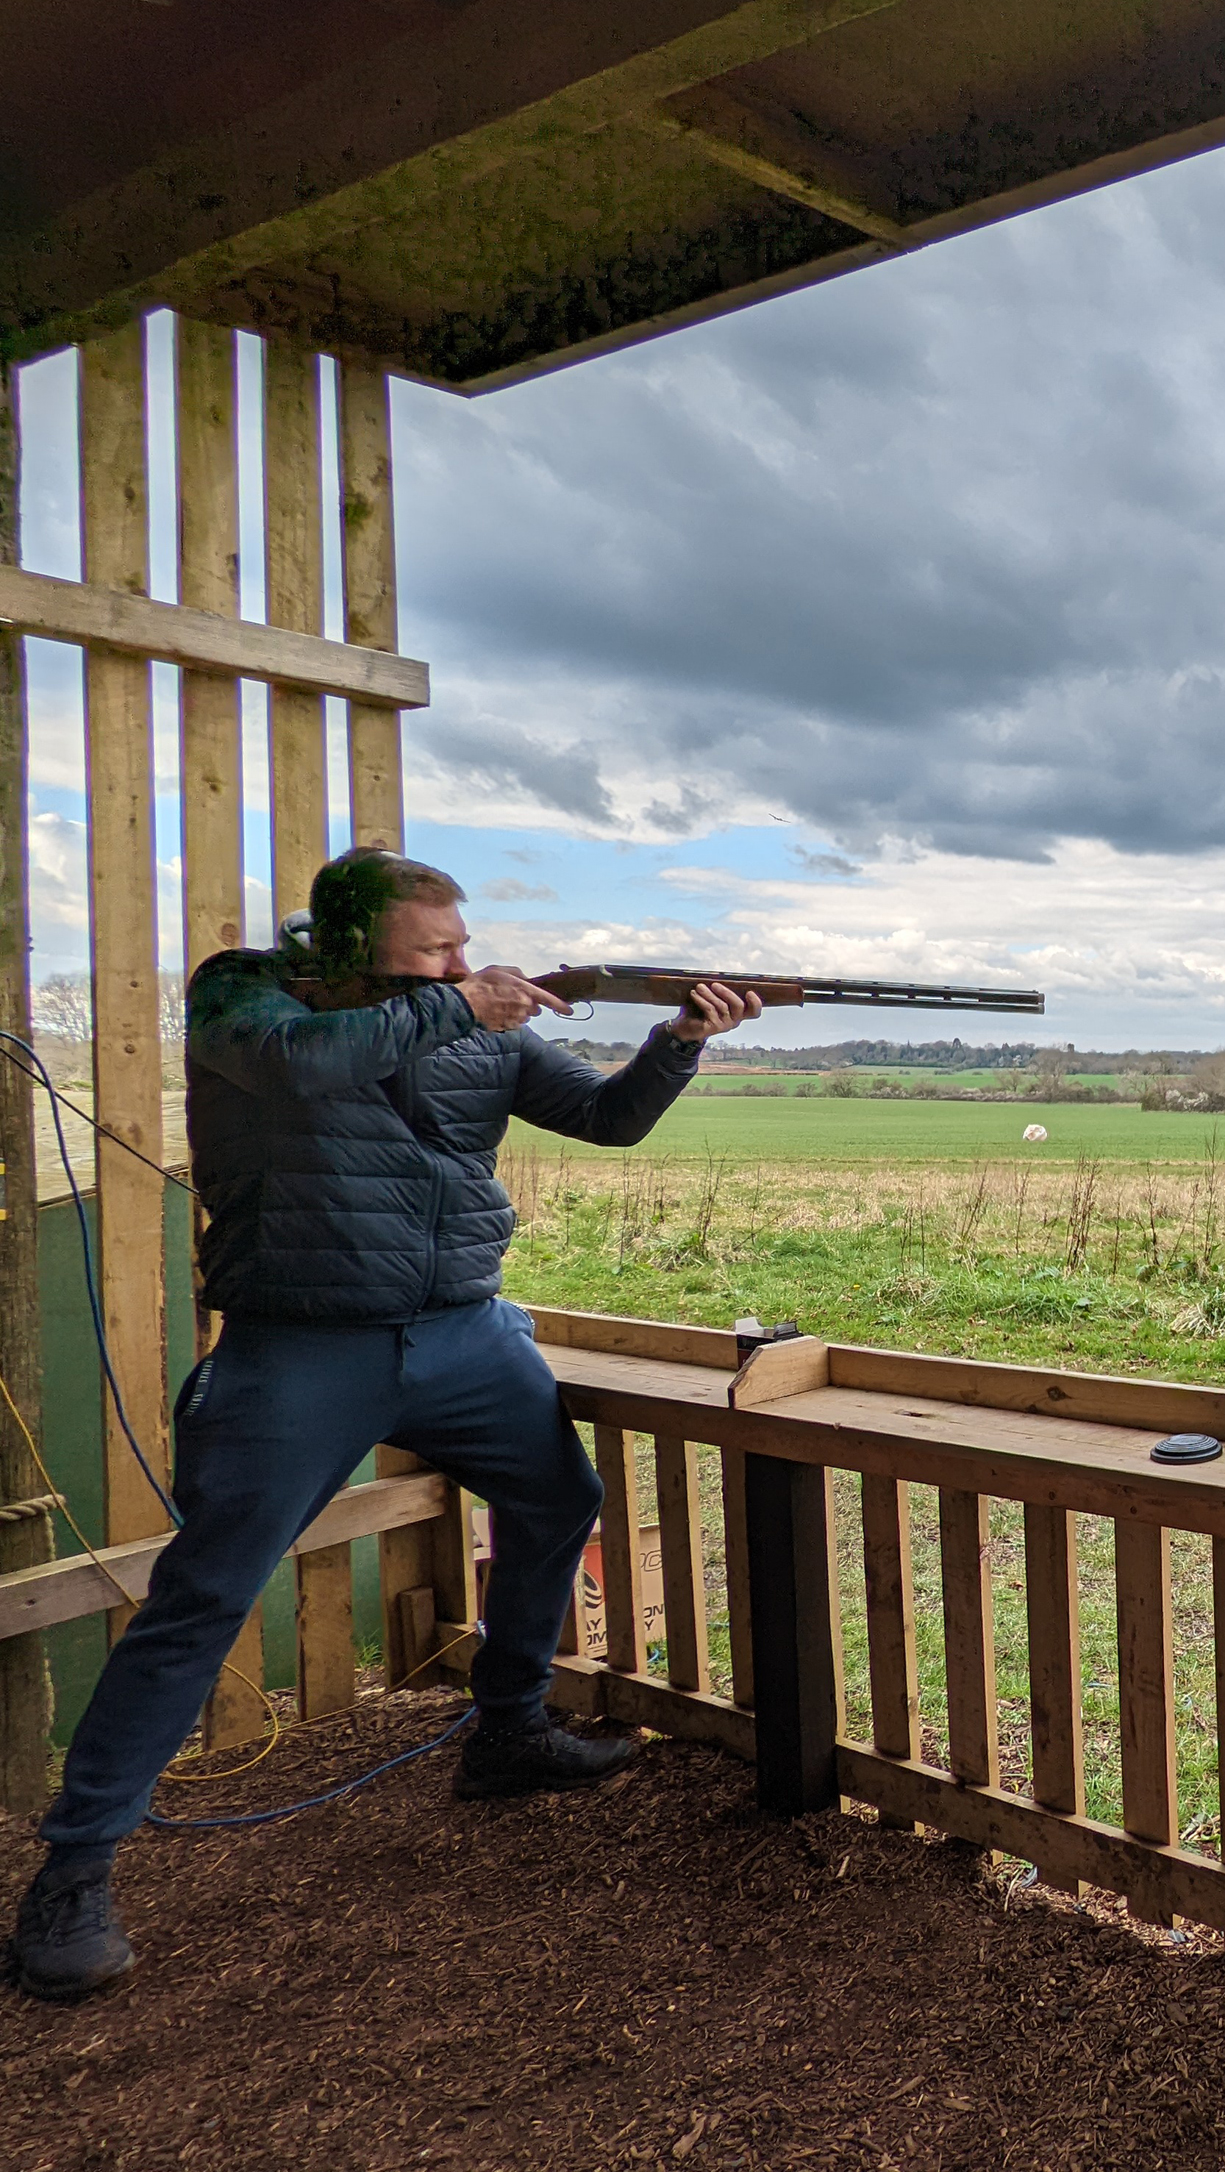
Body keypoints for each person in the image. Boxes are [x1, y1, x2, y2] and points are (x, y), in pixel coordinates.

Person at [8, 848, 761, 2002]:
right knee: (206, 1592)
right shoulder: (243, 993)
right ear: (353, 944)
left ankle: (507, 1730)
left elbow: (607, 1122)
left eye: (463, 944)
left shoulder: (483, 1028)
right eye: (436, 948)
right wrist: (462, 1001)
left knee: (560, 1501)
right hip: (298, 1343)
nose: (464, 961)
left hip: (463, 1334)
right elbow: (300, 1071)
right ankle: (74, 1870)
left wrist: (679, 1044)